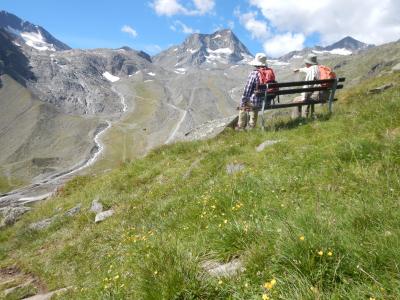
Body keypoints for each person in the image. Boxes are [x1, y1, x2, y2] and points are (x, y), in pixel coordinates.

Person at [237, 53, 277, 130]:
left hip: (256, 102)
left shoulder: (254, 73)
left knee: (244, 105)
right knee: (254, 102)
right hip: (267, 101)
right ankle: (252, 125)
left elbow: (247, 90)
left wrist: (243, 101)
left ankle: (241, 127)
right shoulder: (270, 72)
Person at [292, 53, 329, 118]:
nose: (305, 64)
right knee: (308, 95)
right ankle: (305, 116)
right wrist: (299, 70)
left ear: (309, 63)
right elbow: (306, 69)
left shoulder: (311, 71)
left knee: (296, 100)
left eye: (306, 62)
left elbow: (308, 86)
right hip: (325, 94)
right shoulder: (317, 68)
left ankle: (297, 119)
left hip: (318, 96)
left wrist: (304, 98)